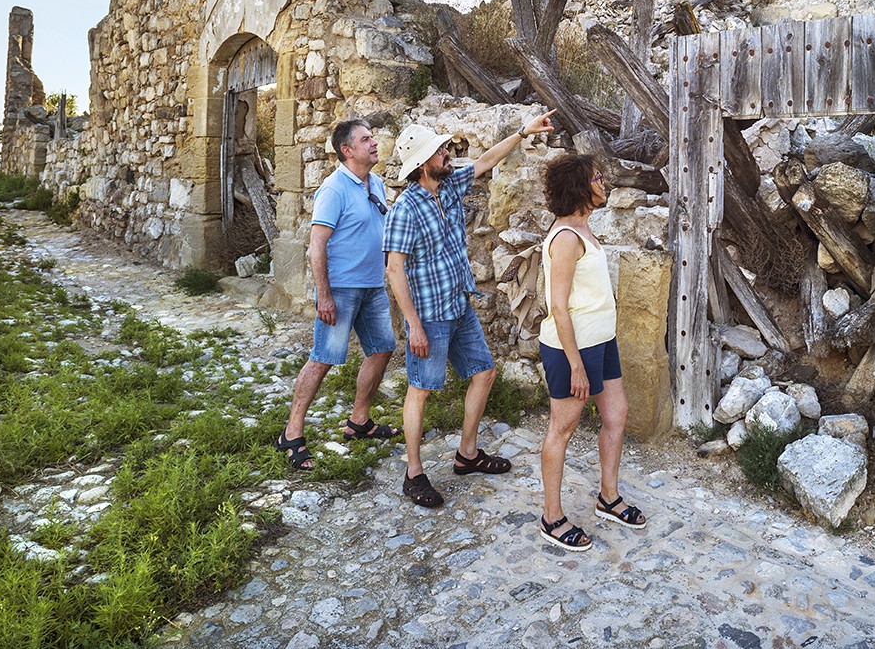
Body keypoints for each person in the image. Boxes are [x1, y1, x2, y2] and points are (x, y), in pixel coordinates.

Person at [384, 109, 555, 508]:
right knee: (420, 390)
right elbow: (394, 269)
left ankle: (467, 453)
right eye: (440, 150)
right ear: (422, 163)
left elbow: (485, 161)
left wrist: (521, 131)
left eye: (444, 146)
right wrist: (414, 326)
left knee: (484, 372)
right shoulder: (405, 210)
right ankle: (414, 474)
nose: (448, 152)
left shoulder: (448, 187)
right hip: (428, 315)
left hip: (459, 305)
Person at [275, 119, 399, 471]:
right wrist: (324, 296)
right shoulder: (334, 189)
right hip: (341, 289)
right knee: (323, 357)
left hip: (372, 286)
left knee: (383, 348)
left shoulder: (375, 183)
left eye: (372, 136)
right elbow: (317, 246)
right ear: (348, 150)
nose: (374, 143)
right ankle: (292, 433)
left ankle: (359, 422)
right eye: (365, 139)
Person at [537, 152, 646, 550]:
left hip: (602, 341)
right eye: (597, 177)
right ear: (580, 187)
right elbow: (558, 306)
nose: (604, 182)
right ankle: (552, 517)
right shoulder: (565, 238)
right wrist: (576, 366)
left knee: (617, 414)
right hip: (572, 350)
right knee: (561, 430)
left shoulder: (584, 230)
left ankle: (608, 496)